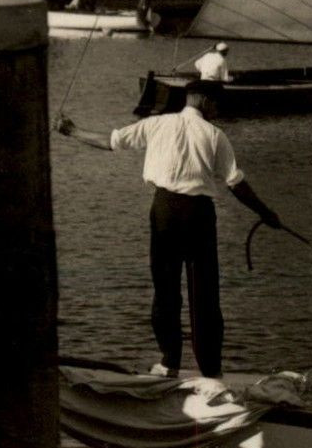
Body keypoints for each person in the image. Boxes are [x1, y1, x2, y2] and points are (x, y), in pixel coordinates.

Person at [59, 79, 281, 379]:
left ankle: (169, 363)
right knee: (204, 293)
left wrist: (72, 131)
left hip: (164, 210)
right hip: (199, 214)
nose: (217, 109)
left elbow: (110, 141)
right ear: (203, 100)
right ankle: (211, 372)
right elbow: (236, 184)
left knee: (165, 289)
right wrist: (266, 213)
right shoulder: (215, 136)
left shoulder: (157, 124)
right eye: (216, 103)